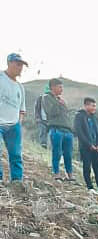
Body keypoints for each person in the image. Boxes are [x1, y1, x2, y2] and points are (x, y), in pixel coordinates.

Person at [0, 53, 27, 185]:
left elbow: (22, 109)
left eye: (22, 65)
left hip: (14, 125)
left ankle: (17, 181)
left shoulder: (20, 87)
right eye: (18, 64)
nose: (20, 67)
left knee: (16, 154)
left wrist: (19, 122)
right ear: (9, 62)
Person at [41, 79, 75, 181]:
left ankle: (70, 174)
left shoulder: (61, 100)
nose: (62, 89)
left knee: (68, 154)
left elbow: (65, 115)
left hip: (67, 130)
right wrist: (58, 103)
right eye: (60, 87)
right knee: (57, 152)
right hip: (56, 129)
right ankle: (56, 173)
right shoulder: (46, 98)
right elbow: (51, 112)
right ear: (53, 87)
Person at [73, 97, 98, 195]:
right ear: (86, 105)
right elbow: (79, 132)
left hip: (97, 148)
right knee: (87, 167)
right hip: (86, 147)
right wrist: (89, 144)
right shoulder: (79, 116)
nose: (94, 108)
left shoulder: (95, 118)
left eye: (95, 106)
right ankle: (89, 187)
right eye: (93, 106)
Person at [33, 81, 48, 148]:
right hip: (42, 119)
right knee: (42, 132)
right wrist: (37, 118)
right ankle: (43, 145)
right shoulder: (41, 98)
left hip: (50, 120)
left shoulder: (55, 99)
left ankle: (50, 147)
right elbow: (36, 108)